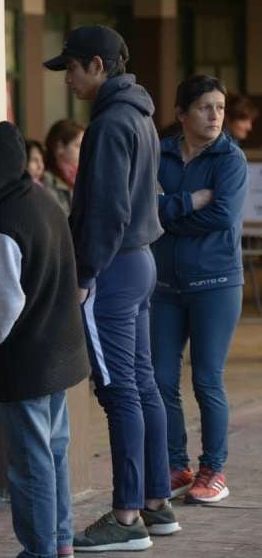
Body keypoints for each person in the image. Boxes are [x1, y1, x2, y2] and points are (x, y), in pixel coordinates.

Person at [44, 25, 179, 552]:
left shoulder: (109, 124)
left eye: (72, 68)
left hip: (113, 270)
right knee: (142, 384)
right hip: (140, 262)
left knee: (119, 389)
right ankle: (155, 502)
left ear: (97, 65)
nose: (68, 80)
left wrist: (82, 277)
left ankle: (126, 517)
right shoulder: (140, 115)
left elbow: (106, 211)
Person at [0, 121, 90, 558]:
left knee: (29, 463)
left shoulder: (3, 223)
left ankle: (39, 550)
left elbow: (1, 306)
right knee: (55, 451)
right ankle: (61, 543)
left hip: (26, 361)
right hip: (63, 352)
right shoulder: (44, 201)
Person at [151, 75, 248, 504]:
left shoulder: (231, 159)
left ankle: (214, 469)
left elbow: (222, 216)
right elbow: (143, 210)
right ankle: (176, 464)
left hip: (216, 284)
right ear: (181, 114)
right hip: (164, 285)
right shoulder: (160, 154)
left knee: (207, 380)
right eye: (206, 107)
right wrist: (191, 202)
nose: (215, 116)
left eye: (220, 108)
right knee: (160, 378)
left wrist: (167, 215)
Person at [43, 119, 85, 215]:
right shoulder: (46, 180)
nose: (84, 151)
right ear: (59, 147)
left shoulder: (83, 177)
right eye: (78, 146)